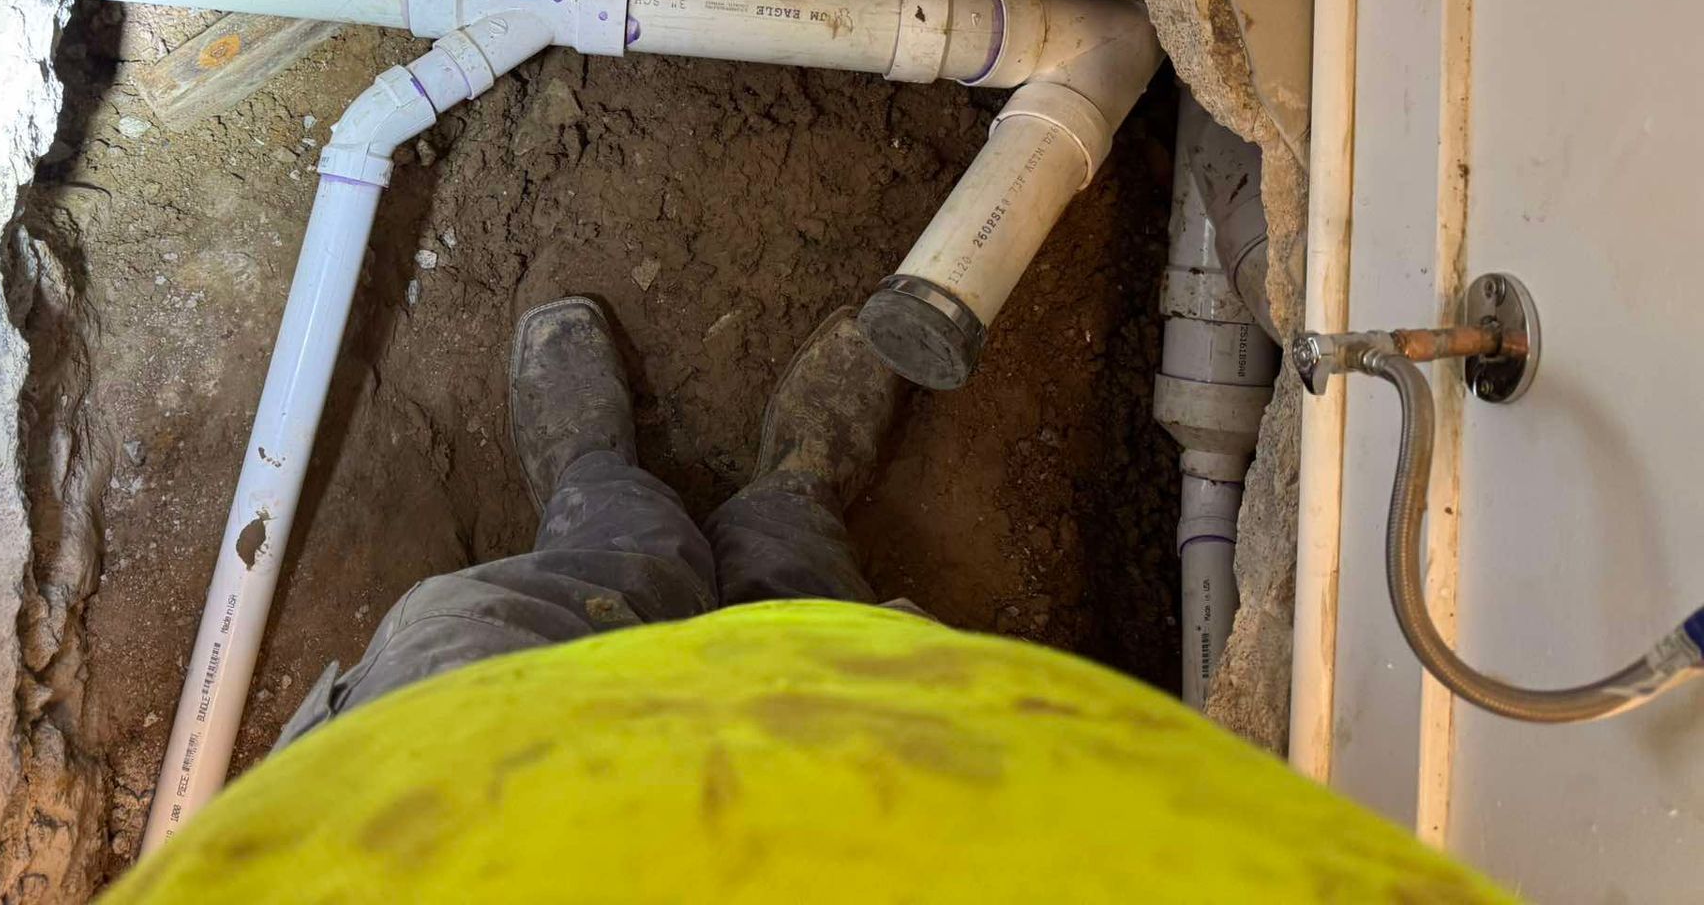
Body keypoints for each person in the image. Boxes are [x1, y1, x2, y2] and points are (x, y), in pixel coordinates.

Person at [111, 298, 1508, 903]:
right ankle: (787, 500)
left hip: (422, 818)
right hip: (929, 818)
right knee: (811, 622)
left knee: (536, 607)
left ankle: (605, 494)